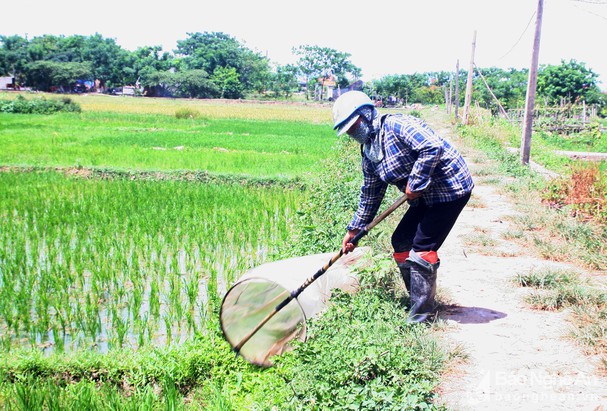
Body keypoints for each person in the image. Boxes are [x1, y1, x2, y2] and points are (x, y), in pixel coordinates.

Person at [332, 91, 474, 323]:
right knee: (401, 240)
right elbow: (371, 193)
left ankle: (422, 316)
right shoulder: (369, 151)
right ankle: (417, 298)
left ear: (366, 115)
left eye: (353, 125)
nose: (351, 132)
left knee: (421, 247)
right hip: (423, 196)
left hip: (450, 189)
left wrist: (417, 181)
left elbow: (432, 147)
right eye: (347, 130)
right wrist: (354, 229)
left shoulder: (397, 126)